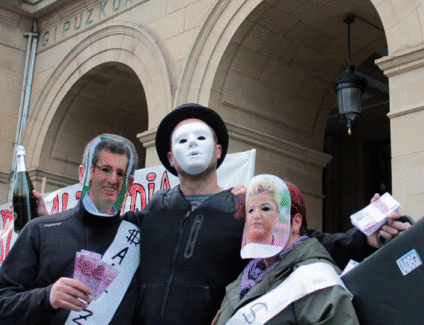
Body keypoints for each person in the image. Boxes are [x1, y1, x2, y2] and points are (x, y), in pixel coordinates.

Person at [135, 103, 404, 325]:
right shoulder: (149, 215)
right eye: (182, 140)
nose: (192, 144)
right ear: (170, 158)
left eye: (201, 137)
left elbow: (301, 242)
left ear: (218, 152)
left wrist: (363, 239)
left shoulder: (243, 210)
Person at [0, 134, 140, 325]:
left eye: (120, 173)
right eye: (105, 169)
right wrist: (47, 297)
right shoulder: (41, 230)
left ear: (130, 182)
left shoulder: (138, 237)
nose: (113, 179)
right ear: (84, 173)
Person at [213, 175, 359, 325]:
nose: (255, 216)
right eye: (250, 210)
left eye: (265, 208)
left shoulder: (317, 279)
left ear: (295, 222)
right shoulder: (241, 283)